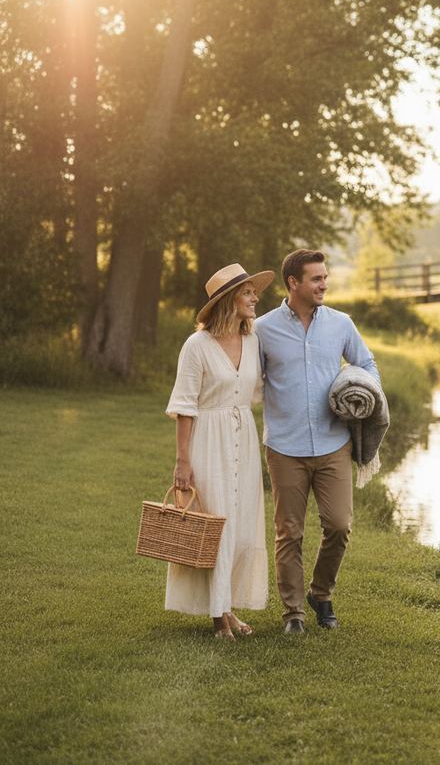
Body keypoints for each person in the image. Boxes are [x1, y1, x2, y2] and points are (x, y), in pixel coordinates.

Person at [255, 249, 380, 634]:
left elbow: (368, 364)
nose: (324, 284)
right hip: (285, 447)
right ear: (294, 283)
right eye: (316, 279)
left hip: (332, 444)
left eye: (325, 277)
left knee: (339, 525)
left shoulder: (341, 324)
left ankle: (320, 593)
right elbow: (249, 380)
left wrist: (358, 386)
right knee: (288, 532)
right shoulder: (263, 329)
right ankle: (293, 612)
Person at [165, 263, 273, 640]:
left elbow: (259, 390)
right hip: (208, 440)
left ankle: (229, 607)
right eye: (247, 293)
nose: (255, 298)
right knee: (217, 525)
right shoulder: (196, 346)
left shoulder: (253, 339)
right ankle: (217, 617)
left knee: (242, 526)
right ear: (230, 300)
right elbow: (184, 405)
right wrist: (183, 461)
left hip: (243, 434)